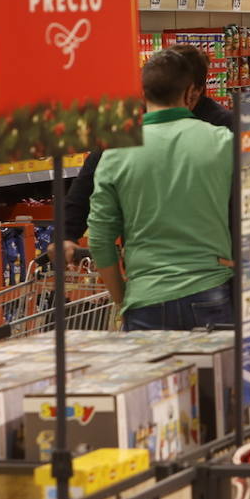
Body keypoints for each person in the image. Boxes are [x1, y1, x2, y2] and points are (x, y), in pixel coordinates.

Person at [88, 49, 235, 331]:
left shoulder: (117, 150)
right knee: (215, 377)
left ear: (142, 93)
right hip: (209, 290)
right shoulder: (222, 141)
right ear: (191, 92)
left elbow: (99, 237)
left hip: (145, 299)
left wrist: (122, 298)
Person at [64, 44, 231, 263]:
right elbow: (88, 181)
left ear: (194, 91)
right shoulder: (126, 127)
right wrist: (66, 234)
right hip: (152, 262)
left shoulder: (223, 127)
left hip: (209, 260)